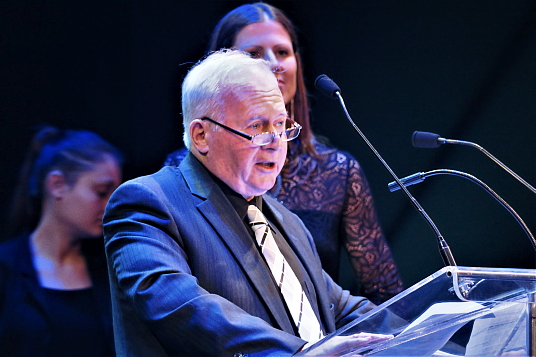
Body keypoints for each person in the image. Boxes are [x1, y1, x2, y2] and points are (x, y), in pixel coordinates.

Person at [104, 50, 393, 356]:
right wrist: (301, 353)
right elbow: (179, 305)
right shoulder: (148, 203)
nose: (275, 141)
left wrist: (430, 333)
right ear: (201, 135)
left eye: (281, 124)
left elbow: (339, 307)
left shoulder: (285, 221)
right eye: (257, 126)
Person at [164, 2, 403, 304]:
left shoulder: (337, 172)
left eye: (282, 52)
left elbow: (379, 292)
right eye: (253, 54)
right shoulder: (181, 174)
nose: (271, 64)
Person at [0, 126, 122, 356]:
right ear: (57, 185)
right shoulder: (7, 269)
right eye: (101, 192)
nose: (109, 206)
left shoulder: (109, 271)